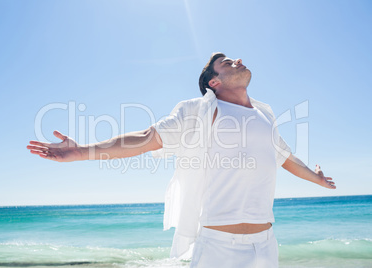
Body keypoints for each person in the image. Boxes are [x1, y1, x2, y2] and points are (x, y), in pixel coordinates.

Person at [27, 52, 336, 267]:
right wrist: (81, 151)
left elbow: (285, 158)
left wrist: (317, 179)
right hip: (219, 246)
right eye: (226, 63)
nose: (237, 60)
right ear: (214, 82)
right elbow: (146, 139)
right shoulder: (201, 111)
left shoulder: (265, 115)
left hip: (266, 246)